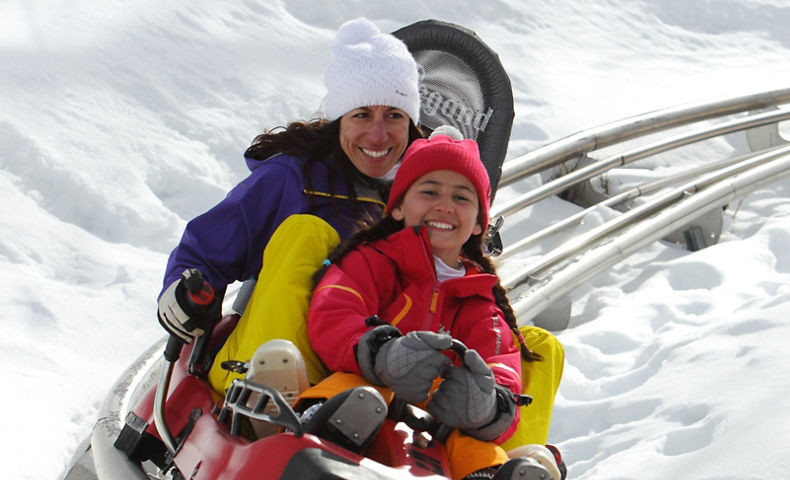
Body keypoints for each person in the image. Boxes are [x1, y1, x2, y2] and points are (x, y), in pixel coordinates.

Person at [155, 17, 424, 395]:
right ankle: (268, 395)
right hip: (263, 361)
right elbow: (209, 247)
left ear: (410, 122)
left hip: (367, 376)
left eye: (393, 116)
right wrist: (186, 291)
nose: (378, 134)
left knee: (535, 347)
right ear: (339, 120)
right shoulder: (295, 179)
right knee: (307, 233)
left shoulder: (425, 194)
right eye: (362, 114)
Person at [303, 130, 563, 480]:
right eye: (429, 191)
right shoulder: (370, 261)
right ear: (397, 206)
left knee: (472, 444)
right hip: (366, 389)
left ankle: (488, 474)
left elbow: (503, 367)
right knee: (355, 391)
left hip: (435, 427)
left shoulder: (480, 302)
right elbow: (335, 311)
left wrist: (486, 405)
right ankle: (326, 430)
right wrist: (381, 353)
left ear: (477, 225)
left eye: (461, 197)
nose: (445, 205)